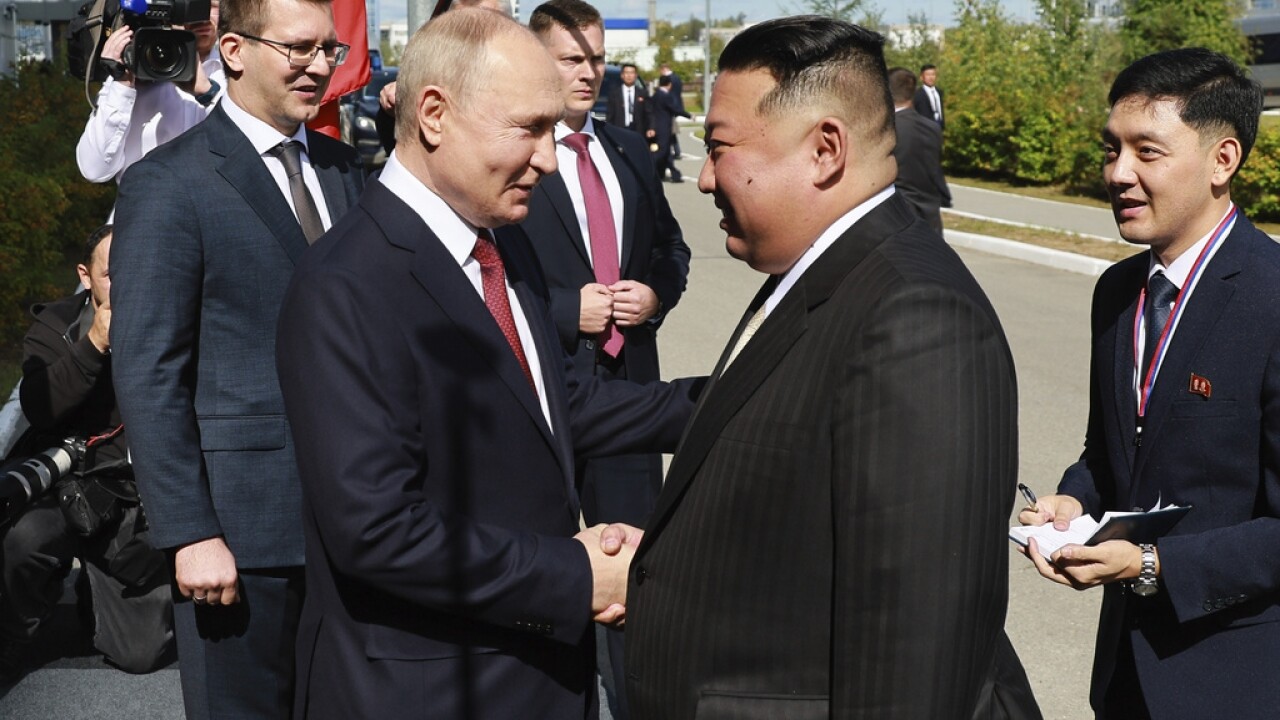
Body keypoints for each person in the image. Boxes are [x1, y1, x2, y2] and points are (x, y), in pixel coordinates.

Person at [274, 9, 700, 719]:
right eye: (529, 128)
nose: (550, 157)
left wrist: (728, 403)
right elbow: (377, 531)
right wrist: (578, 575)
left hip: (534, 671)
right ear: (434, 114)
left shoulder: (503, 242)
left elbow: (560, 405)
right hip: (426, 691)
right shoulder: (345, 287)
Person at [623, 16, 1040, 720]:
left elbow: (912, 660)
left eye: (719, 149)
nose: (702, 179)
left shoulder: (920, 320)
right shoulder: (821, 270)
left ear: (824, 150)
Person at [108, 0, 365, 713]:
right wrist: (190, 531)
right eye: (298, 48)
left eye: (328, 50)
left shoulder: (348, 172)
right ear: (233, 49)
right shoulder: (170, 183)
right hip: (242, 538)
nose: (318, 65)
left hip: (359, 527)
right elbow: (148, 369)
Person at [1017, 48, 1280, 720]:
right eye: (1111, 149)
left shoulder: (1271, 300)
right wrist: (1074, 503)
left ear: (1224, 160)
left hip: (1238, 683)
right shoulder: (1117, 292)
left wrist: (1150, 565)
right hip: (1125, 678)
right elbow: (1110, 453)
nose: (1118, 174)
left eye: (1147, 152)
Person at [497, 2, 690, 715]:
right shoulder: (515, 151)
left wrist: (656, 294)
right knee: (545, 573)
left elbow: (673, 248)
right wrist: (561, 309)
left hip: (630, 391)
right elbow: (481, 271)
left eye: (596, 59)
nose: (588, 72)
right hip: (543, 392)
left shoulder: (628, 151)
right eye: (571, 60)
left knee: (635, 574)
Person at [0, 225, 173, 682]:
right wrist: (95, 343)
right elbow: (39, 407)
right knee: (23, 539)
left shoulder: (174, 321)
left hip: (130, 503)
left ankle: (94, 596)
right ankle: (13, 633)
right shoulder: (56, 325)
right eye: (112, 273)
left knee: (141, 654)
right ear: (86, 275)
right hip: (65, 487)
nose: (126, 282)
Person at [76, 0, 225, 184]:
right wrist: (122, 85)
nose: (203, 17)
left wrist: (208, 93)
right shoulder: (132, 71)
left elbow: (253, 154)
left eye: (212, 6)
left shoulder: (237, 74)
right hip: (142, 208)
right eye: (193, 5)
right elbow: (94, 169)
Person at [889, 66, 950, 233]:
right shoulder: (932, 129)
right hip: (930, 216)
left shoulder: (887, 128)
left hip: (897, 217)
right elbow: (934, 168)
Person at [650, 74, 690, 183]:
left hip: (656, 126)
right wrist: (689, 115)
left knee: (667, 152)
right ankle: (649, 170)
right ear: (669, 84)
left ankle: (672, 174)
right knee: (662, 152)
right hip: (664, 127)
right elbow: (676, 109)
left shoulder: (655, 95)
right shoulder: (665, 96)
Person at [605, 63, 652, 139]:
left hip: (638, 130)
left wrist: (651, 127)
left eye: (631, 73)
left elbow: (649, 112)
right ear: (622, 75)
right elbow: (610, 114)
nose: (629, 76)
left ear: (636, 75)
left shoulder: (642, 93)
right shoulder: (614, 93)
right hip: (620, 129)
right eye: (626, 73)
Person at [659, 62, 684, 157]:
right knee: (670, 128)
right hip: (676, 104)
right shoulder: (677, 78)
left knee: (669, 128)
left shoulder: (668, 79)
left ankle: (674, 150)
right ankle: (676, 150)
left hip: (669, 105)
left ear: (664, 69)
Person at [912, 62, 944, 129]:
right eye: (928, 75)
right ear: (921, 77)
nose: (931, 77)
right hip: (924, 129)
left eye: (933, 74)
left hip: (939, 126)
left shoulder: (939, 92)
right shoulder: (917, 94)